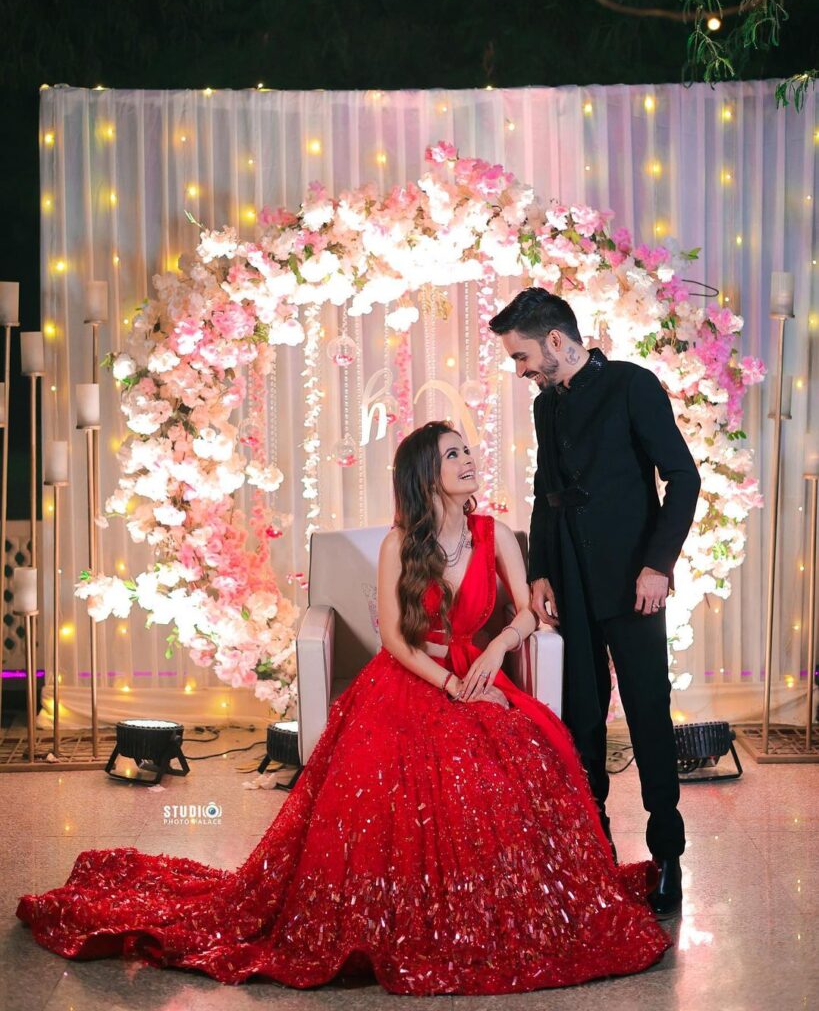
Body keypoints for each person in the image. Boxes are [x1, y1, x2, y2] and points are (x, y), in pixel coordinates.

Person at [17, 421, 671, 995]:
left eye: (468, 451)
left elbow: (528, 611)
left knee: (511, 762)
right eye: (452, 454)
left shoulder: (493, 531)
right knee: (405, 776)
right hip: (412, 678)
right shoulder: (397, 545)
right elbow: (392, 636)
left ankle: (497, 900)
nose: (468, 461)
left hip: (478, 669)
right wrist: (449, 687)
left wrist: (495, 652)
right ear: (425, 473)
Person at [490, 287, 701, 919]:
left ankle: (668, 856)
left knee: (647, 715)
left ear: (556, 341)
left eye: (523, 356)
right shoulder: (545, 406)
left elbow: (683, 478)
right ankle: (594, 849)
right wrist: (540, 571)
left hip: (634, 581)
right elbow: (544, 489)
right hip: (571, 583)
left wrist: (658, 566)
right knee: (581, 717)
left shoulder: (633, 385)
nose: (520, 370)